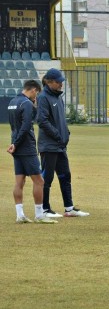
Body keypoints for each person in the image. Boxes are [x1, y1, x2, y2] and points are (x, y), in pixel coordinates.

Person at [37, 68, 89, 219]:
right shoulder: (43, 97)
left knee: (65, 175)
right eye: (58, 82)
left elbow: (59, 120)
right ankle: (45, 209)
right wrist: (58, 135)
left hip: (60, 145)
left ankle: (69, 208)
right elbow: (42, 121)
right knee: (47, 178)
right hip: (49, 145)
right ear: (49, 82)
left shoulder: (58, 97)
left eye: (61, 81)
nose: (61, 84)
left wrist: (66, 132)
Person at [7, 80, 49, 223]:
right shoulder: (26, 104)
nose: (36, 96)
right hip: (25, 146)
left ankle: (20, 215)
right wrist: (17, 143)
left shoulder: (13, 101)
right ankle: (39, 215)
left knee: (19, 181)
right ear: (33, 90)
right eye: (36, 93)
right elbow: (26, 126)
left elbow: (15, 125)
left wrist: (14, 143)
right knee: (39, 181)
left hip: (16, 144)